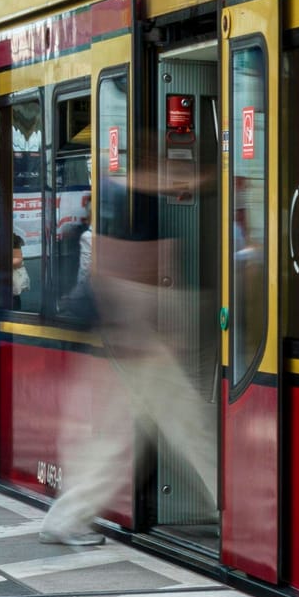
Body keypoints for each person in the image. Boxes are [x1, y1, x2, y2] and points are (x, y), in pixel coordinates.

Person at [43, 154, 217, 546]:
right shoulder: (133, 202)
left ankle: (66, 516)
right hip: (140, 340)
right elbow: (137, 269)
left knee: (121, 438)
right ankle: (231, 511)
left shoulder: (117, 197)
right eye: (177, 173)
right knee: (190, 428)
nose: (183, 181)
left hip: (124, 338)